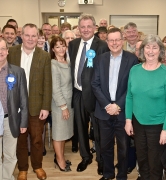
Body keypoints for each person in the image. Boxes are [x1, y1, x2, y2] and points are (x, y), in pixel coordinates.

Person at [125, 34, 166, 180]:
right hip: (138, 123)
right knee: (141, 159)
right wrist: (128, 120)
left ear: (160, 51)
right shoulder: (134, 70)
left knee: (155, 162)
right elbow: (129, 97)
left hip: (157, 125)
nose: (151, 51)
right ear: (143, 50)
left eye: (155, 47)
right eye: (148, 47)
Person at [92, 28, 139, 180]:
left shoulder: (132, 59)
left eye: (117, 40)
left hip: (123, 110)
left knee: (124, 147)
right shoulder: (100, 59)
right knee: (105, 146)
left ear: (123, 40)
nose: (114, 43)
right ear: (107, 42)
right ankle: (108, 174)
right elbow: (95, 84)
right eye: (111, 40)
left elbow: (132, 87)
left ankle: (122, 175)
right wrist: (107, 105)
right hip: (103, 110)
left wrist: (118, 105)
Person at [7, 23, 52, 180]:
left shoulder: (44, 56)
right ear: (22, 36)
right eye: (27, 35)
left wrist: (46, 107)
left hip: (36, 106)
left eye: (34, 36)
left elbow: (48, 83)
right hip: (16, 106)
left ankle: (38, 166)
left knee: (37, 140)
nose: (31, 39)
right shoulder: (10, 52)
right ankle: (23, 169)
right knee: (20, 139)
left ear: (38, 37)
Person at [68, 13, 109, 174]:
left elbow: (104, 73)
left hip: (97, 96)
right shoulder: (73, 44)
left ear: (94, 28)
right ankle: (85, 157)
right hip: (78, 93)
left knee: (98, 129)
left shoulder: (102, 45)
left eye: (88, 26)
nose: (85, 29)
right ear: (78, 28)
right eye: (82, 27)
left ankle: (100, 159)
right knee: (80, 127)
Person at [0, 37, 29, 180]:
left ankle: (7, 177)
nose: (0, 52)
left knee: (11, 155)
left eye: (3, 49)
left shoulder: (17, 71)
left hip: (10, 119)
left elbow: (23, 98)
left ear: (7, 51)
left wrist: (23, 122)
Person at [50, 36, 74, 172]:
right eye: (57, 46)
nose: (61, 49)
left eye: (63, 45)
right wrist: (64, 107)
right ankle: (59, 160)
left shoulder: (67, 62)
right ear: (53, 49)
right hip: (60, 104)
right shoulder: (53, 64)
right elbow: (55, 89)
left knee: (64, 133)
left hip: (69, 102)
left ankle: (61, 156)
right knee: (58, 134)